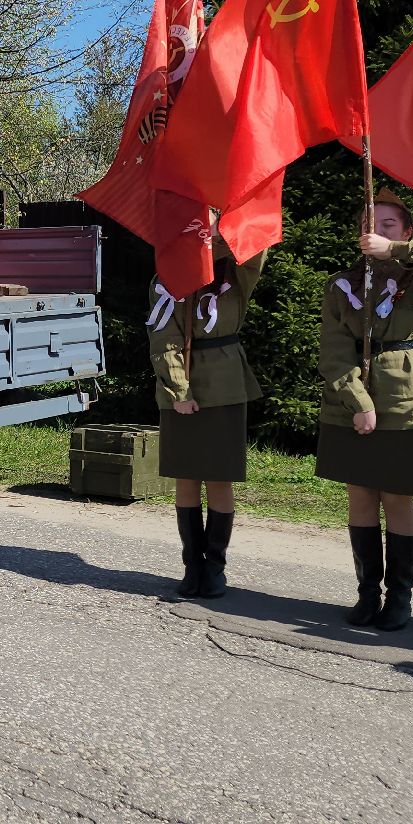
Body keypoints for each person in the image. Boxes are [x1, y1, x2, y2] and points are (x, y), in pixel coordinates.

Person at [315, 189, 413, 631]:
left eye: (387, 225)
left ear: (406, 232)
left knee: (398, 497)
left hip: (407, 398)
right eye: (369, 225)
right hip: (351, 399)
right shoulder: (341, 283)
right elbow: (333, 350)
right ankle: (368, 592)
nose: (376, 232)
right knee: (361, 494)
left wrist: (397, 252)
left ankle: (399, 597)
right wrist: (358, 402)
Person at [148, 235, 269, 599]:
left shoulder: (237, 272)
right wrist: (179, 390)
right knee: (186, 478)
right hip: (182, 385)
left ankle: (215, 568)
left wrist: (210, 247)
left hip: (226, 384)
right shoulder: (166, 278)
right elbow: (162, 337)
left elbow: (257, 248)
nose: (205, 228)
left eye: (212, 220)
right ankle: (192, 566)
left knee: (219, 479)